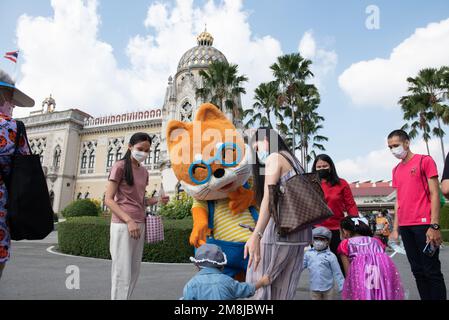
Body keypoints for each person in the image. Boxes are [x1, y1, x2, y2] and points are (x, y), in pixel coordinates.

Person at [245, 128, 312, 300]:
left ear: (266, 140)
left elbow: (269, 198)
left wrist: (256, 235)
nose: (257, 153)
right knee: (284, 290)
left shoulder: (274, 158)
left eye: (257, 147)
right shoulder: (295, 161)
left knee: (258, 284)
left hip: (277, 233)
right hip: (298, 235)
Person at [105, 132, 169, 300]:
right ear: (130, 147)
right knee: (121, 271)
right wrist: (128, 220)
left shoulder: (144, 172)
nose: (144, 153)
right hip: (123, 224)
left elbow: (141, 201)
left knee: (134, 271)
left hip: (139, 223)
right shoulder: (119, 166)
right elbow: (108, 200)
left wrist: (158, 200)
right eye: (140, 149)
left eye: (147, 150)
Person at [387, 130, 446, 300]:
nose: (393, 150)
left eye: (396, 145)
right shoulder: (396, 170)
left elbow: (435, 193)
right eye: (390, 147)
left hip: (424, 226)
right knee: (417, 271)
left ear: (407, 143)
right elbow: (398, 201)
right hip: (405, 227)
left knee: (431, 271)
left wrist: (434, 225)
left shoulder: (424, 161)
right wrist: (395, 229)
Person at [0, 69, 34, 280]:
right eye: (11, 100)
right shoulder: (12, 127)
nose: (12, 106)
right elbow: (25, 167)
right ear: (3, 96)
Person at [311, 154, 359, 273]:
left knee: (342, 262)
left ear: (330, 167)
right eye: (319, 167)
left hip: (338, 229)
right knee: (320, 265)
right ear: (315, 168)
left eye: (325, 166)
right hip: (317, 229)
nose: (322, 168)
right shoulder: (310, 184)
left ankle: (349, 288)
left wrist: (355, 225)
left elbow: (350, 205)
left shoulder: (342, 183)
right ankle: (323, 291)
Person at [338, 216, 404, 300]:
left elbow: (348, 272)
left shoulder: (346, 244)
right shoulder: (376, 241)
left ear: (344, 231)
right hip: (379, 276)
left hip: (359, 278)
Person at [183, 244, 270, 300]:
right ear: (222, 265)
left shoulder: (190, 285)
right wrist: (262, 282)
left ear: (197, 266)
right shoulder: (227, 281)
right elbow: (246, 289)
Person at [303, 227, 344, 300]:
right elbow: (300, 266)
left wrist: (342, 286)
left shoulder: (331, 256)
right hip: (314, 287)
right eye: (316, 239)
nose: (318, 242)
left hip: (328, 288)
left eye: (322, 239)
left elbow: (337, 272)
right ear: (312, 241)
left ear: (328, 242)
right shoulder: (308, 254)